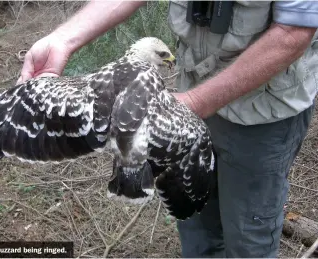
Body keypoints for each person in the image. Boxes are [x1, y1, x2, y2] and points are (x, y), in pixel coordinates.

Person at [17, 1, 318, 257]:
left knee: (247, 231)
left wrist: (194, 103)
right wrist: (64, 38)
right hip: (190, 95)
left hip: (262, 114)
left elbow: (293, 32)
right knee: (194, 214)